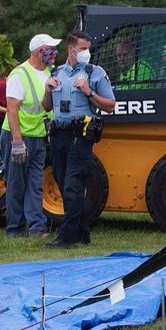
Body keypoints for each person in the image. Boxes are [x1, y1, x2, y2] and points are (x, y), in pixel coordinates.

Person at [42, 30, 116, 248]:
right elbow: (47, 107)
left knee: (74, 186)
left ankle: (67, 237)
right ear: (71, 49)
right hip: (58, 134)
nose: (87, 52)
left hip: (81, 135)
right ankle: (82, 232)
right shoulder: (57, 73)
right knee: (64, 183)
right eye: (83, 49)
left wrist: (88, 92)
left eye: (88, 48)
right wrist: (47, 91)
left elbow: (111, 106)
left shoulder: (94, 73)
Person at [3, 34, 61, 238]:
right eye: (51, 49)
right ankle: (15, 229)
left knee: (36, 184)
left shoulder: (49, 73)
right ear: (40, 52)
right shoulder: (19, 74)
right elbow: (12, 109)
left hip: (38, 136)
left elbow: (46, 106)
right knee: (17, 184)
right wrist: (17, 141)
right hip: (18, 136)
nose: (54, 53)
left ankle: (37, 228)